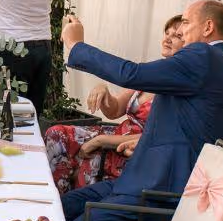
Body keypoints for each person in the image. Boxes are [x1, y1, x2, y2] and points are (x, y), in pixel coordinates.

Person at [60, 1, 223, 221]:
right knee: (60, 207)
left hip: (160, 194)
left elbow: (132, 74)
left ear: (208, 27)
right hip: (145, 181)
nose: (180, 31)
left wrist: (76, 46)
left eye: (186, 23)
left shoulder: (204, 56)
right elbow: (191, 126)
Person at [46, 15, 184, 194]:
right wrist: (103, 91)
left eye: (177, 36)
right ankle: (54, 196)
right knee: (56, 133)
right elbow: (115, 110)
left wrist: (102, 140)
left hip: (135, 148)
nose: (167, 39)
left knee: (86, 152)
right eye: (167, 33)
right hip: (119, 132)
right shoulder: (152, 72)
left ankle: (65, 201)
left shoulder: (178, 84)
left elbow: (157, 136)